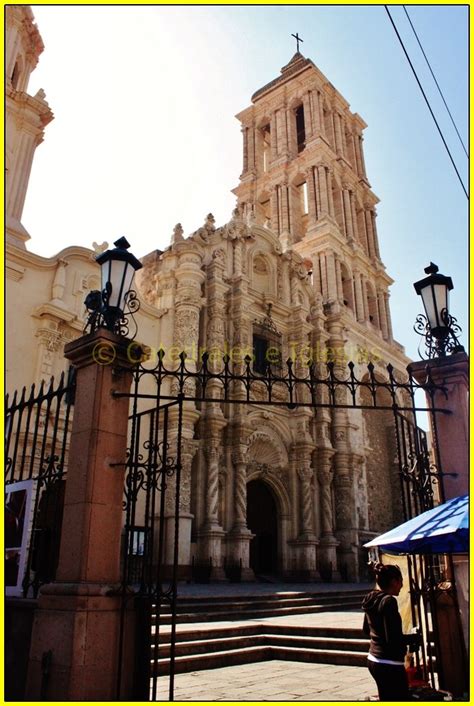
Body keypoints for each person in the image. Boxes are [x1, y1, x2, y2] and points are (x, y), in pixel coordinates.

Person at [362, 560, 420, 701]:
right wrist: (414, 638)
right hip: (389, 663)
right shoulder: (389, 601)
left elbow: (365, 629)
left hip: (373, 659)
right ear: (394, 581)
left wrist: (378, 636)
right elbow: (393, 639)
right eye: (400, 581)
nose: (401, 586)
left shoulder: (371, 597)